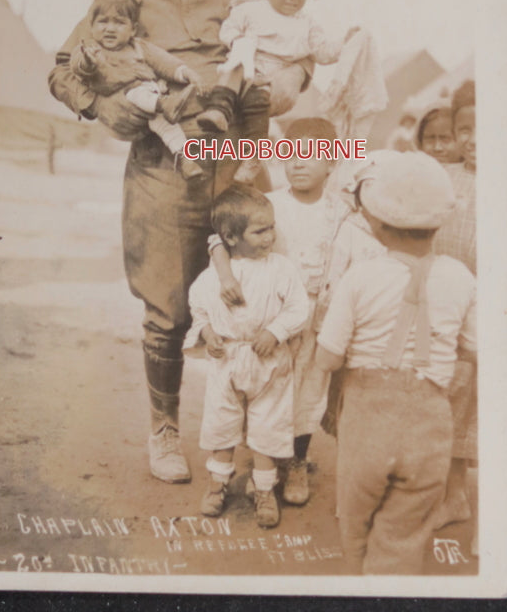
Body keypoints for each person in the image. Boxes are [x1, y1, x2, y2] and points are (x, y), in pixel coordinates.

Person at [48, 0, 309, 484]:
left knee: (262, 298)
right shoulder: (118, 4)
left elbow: (294, 55)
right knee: (168, 311)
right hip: (160, 171)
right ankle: (165, 428)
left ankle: (268, 440)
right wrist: (103, 105)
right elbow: (63, 71)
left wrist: (289, 83)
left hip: (237, 169)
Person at [315, 151, 477, 575]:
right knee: (403, 541)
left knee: (356, 531)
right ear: (439, 222)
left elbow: (328, 359)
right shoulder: (461, 277)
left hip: (368, 424)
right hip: (431, 425)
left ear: (376, 223)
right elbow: (476, 349)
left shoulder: (360, 278)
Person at [210, 118, 384, 507]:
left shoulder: (341, 211)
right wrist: (226, 275)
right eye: (289, 154)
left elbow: (363, 252)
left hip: (317, 321)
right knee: (265, 390)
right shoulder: (270, 204)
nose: (299, 163)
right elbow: (222, 236)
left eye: (311, 155)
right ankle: (262, 463)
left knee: (307, 393)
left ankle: (298, 461)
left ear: (332, 164)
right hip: (271, 320)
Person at [184, 186, 309, 528]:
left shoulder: (280, 269)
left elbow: (299, 307)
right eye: (259, 231)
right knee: (221, 423)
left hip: (268, 362)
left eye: (271, 227)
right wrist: (208, 334)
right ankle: (217, 484)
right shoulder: (214, 277)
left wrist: (276, 332)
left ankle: (264, 490)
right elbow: (199, 308)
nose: (270, 236)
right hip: (228, 360)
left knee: (267, 425)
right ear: (231, 236)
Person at [198, 0, 346, 133]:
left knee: (259, 107)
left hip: (275, 81)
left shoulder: (307, 24)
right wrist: (238, 42)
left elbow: (322, 53)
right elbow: (229, 28)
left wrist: (345, 43)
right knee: (234, 66)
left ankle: (254, 152)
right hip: (247, 66)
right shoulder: (251, 10)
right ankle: (219, 109)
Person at [70, 0, 205, 181]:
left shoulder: (139, 47)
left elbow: (163, 61)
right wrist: (89, 61)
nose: (110, 28)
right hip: (124, 98)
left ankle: (185, 159)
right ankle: (165, 104)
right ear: (91, 26)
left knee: (168, 126)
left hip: (150, 100)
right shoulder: (92, 49)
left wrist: (184, 72)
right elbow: (77, 65)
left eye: (119, 22)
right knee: (138, 94)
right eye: (103, 22)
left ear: (133, 29)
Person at [432, 79, 477, 535]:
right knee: (453, 395)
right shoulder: (445, 177)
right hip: (451, 304)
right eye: (465, 129)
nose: (474, 139)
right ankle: (453, 492)